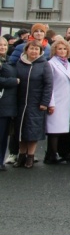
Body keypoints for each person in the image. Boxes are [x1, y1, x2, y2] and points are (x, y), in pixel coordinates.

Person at [14, 41, 54, 168]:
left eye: (37, 49)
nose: (34, 51)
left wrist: (44, 102)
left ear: (40, 51)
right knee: (20, 131)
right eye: (32, 48)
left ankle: (30, 157)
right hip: (20, 103)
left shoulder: (44, 64)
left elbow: (48, 85)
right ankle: (21, 156)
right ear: (27, 49)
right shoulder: (19, 63)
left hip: (36, 103)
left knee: (33, 131)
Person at [45, 39, 70, 165]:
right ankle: (52, 155)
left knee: (59, 129)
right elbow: (49, 85)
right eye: (60, 49)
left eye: (65, 49)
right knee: (54, 130)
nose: (62, 51)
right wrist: (50, 103)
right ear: (54, 50)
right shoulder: (51, 64)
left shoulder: (67, 63)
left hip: (65, 101)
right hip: (56, 100)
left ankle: (52, 153)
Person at [0, 37, 18, 170]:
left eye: (4, 45)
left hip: (7, 104)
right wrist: (14, 81)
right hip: (2, 103)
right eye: (0, 45)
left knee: (3, 136)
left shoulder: (8, 60)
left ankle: (0, 161)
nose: (2, 47)